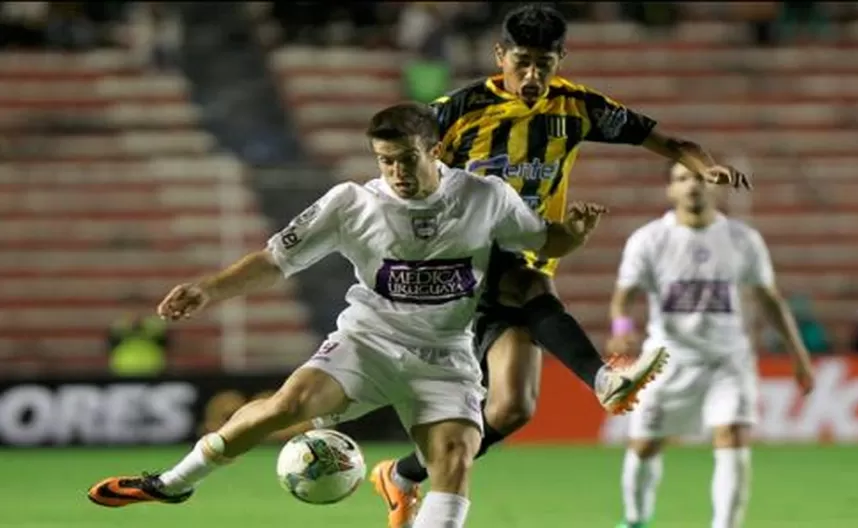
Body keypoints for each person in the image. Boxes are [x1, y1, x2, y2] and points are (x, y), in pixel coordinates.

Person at [85, 102, 661, 528]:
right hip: (367, 342)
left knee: (456, 458)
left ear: (433, 150)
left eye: (406, 159)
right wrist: (209, 290)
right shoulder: (350, 203)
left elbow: (545, 243)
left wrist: (574, 236)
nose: (396, 172)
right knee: (285, 406)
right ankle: (172, 484)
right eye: (385, 161)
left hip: (446, 357)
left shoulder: (486, 198)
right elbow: (273, 260)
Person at [373, 5, 749, 526]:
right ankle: (601, 379)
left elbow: (671, 143)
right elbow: (399, 160)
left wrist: (706, 168)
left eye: (543, 64)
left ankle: (402, 476)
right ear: (499, 56)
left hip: (528, 257)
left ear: (560, 60)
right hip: (460, 261)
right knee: (526, 282)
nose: (532, 75)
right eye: (522, 61)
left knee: (512, 410)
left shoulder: (577, 108)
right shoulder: (456, 109)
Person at [608, 163, 815, 528]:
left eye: (701, 179)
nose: (693, 186)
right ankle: (636, 519)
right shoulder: (649, 239)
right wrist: (622, 328)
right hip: (665, 359)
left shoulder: (742, 239)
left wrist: (798, 355)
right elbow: (623, 297)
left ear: (716, 187)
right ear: (670, 190)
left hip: (727, 360)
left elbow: (769, 298)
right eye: (682, 179)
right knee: (644, 444)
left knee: (732, 434)